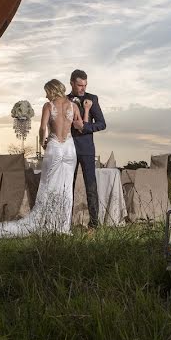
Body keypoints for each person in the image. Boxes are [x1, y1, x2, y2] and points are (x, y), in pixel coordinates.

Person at [0, 79, 81, 241]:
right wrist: (84, 111)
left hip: (55, 147)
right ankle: (62, 226)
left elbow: (43, 128)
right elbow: (79, 125)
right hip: (70, 148)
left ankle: (47, 222)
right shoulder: (74, 106)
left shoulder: (49, 106)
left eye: (47, 91)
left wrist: (44, 142)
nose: (45, 95)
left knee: (49, 186)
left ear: (52, 90)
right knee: (65, 187)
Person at [68, 69, 106, 229]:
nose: (82, 88)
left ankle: (94, 223)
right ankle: (66, 222)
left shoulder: (92, 99)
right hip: (68, 148)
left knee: (91, 186)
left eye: (85, 85)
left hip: (87, 149)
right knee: (68, 186)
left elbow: (102, 124)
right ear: (71, 83)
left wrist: (84, 127)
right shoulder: (63, 99)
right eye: (79, 85)